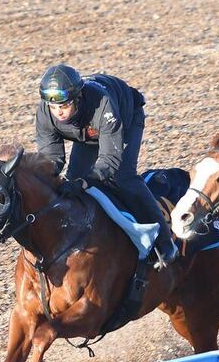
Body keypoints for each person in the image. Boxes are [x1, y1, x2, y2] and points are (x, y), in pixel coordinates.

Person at [34, 64, 178, 270]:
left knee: (122, 178)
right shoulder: (46, 112)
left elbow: (109, 160)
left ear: (78, 98)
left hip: (125, 120)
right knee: (72, 180)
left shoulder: (103, 103)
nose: (59, 112)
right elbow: (51, 160)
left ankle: (165, 241)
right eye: (53, 107)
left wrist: (86, 181)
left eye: (64, 106)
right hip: (87, 133)